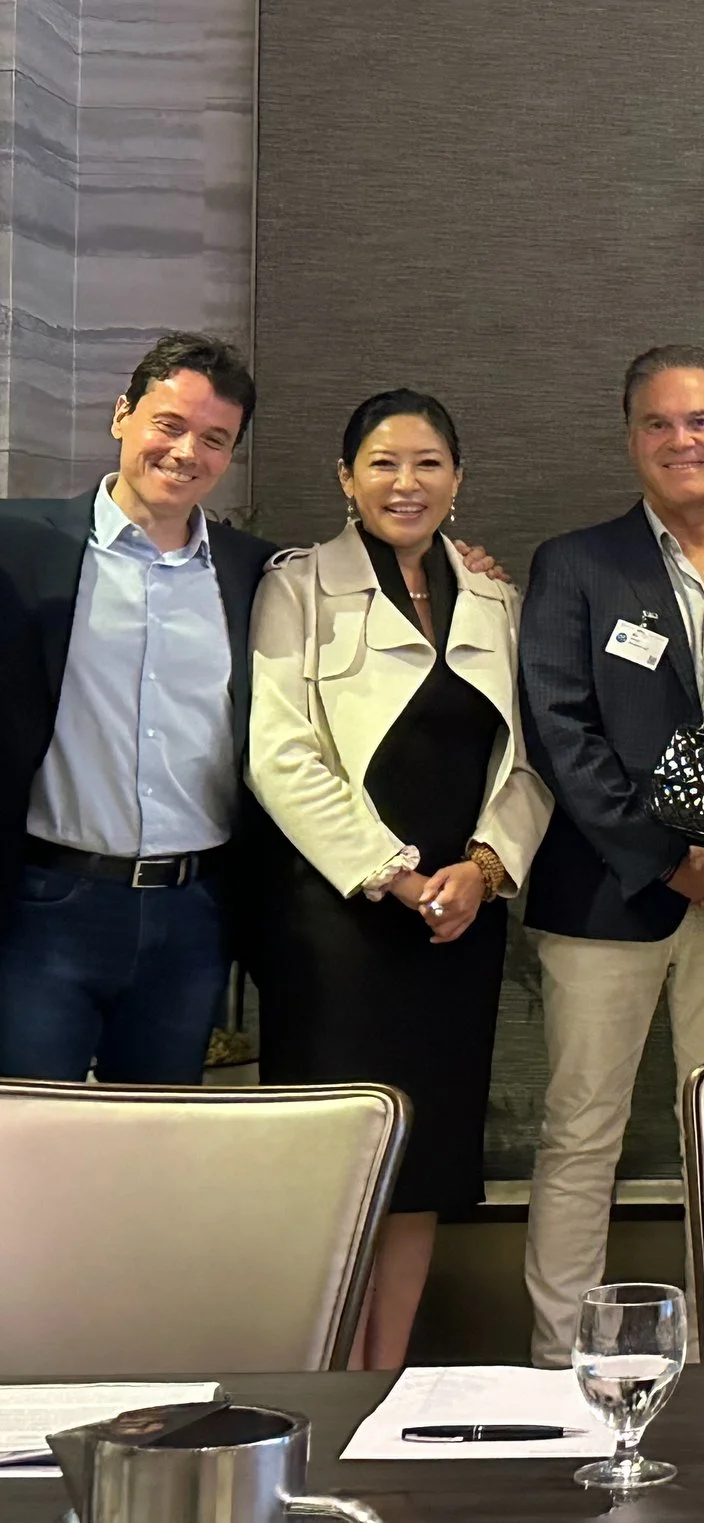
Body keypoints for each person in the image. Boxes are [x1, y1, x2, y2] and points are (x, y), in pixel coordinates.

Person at [248, 389, 553, 1369]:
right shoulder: (295, 586)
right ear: (345, 480)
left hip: (456, 924)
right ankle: (319, 1377)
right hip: (340, 919)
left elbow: (529, 764)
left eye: (427, 463)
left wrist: (485, 869)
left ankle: (386, 1374)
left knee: (425, 1159)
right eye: (382, 463)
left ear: (457, 482)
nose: (405, 483)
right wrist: (391, 873)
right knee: (336, 1158)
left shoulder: (499, 599)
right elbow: (279, 754)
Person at [517, 345, 704, 1368]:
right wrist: (659, 857)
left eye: (702, 420)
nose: (683, 440)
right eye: (660, 424)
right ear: (632, 439)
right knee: (582, 1132)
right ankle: (558, 1365)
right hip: (606, 895)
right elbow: (561, 728)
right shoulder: (577, 564)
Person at [0, 334, 272, 1082]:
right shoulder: (18, 544)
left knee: (156, 1159)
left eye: (215, 439)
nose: (188, 452)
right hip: (48, 903)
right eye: (170, 424)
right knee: (27, 1148)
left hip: (193, 916)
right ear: (122, 414)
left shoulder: (256, 574)